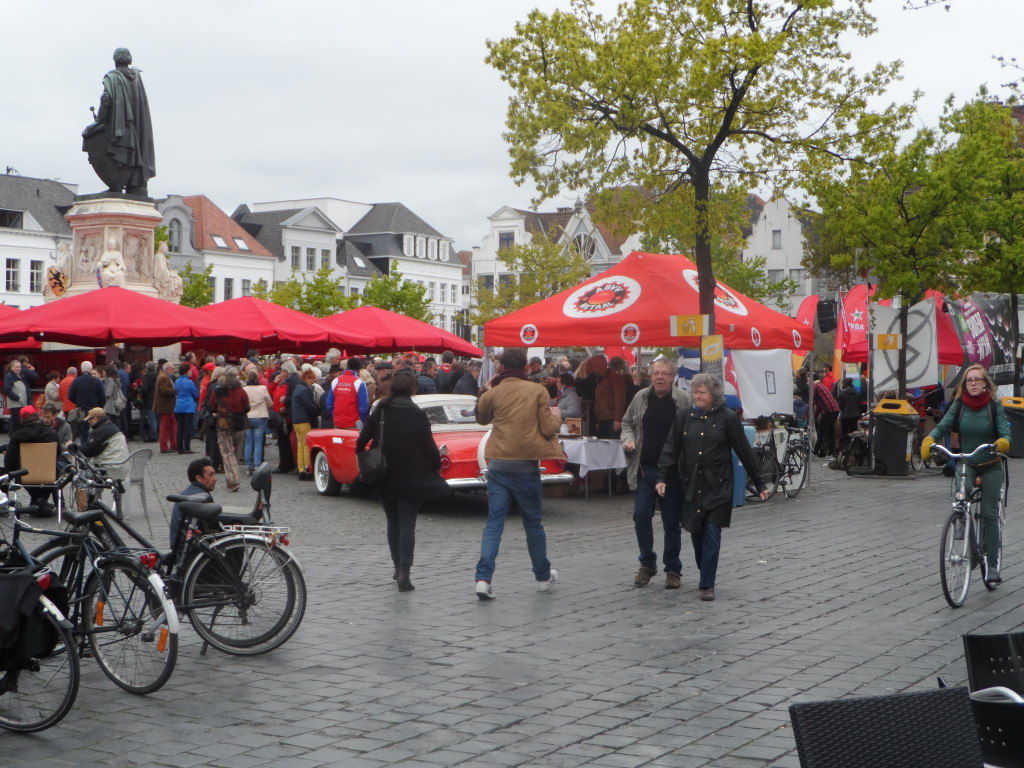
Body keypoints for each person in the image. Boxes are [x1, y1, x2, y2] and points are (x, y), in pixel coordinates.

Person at [656, 373, 770, 602]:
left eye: (702, 392)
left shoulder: (727, 418)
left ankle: (707, 583)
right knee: (697, 534)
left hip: (718, 485)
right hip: (691, 484)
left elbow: (744, 451)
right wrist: (662, 476)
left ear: (713, 394)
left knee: (711, 532)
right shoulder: (684, 416)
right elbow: (671, 448)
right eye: (695, 392)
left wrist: (759, 483)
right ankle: (704, 568)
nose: (697, 396)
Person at [473, 347, 563, 600]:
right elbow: (547, 428)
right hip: (525, 465)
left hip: (498, 463)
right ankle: (542, 576)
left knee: (494, 524)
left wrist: (486, 390)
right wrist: (557, 416)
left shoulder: (496, 392)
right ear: (525, 366)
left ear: (501, 367)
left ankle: (483, 579)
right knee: (532, 523)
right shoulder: (537, 391)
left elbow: (481, 418)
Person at [357, 370, 446, 592]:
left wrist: (368, 459)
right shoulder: (417, 414)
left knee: (392, 522)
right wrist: (435, 467)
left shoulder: (382, 410)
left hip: (386, 475)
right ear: (412, 390)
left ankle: (396, 567)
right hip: (412, 476)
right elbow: (429, 447)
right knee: (408, 524)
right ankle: (405, 572)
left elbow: (361, 442)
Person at [922, 364, 1011, 582]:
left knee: (989, 513)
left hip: (990, 463)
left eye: (977, 380)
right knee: (961, 497)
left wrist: (1003, 442)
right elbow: (944, 425)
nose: (972, 383)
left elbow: (1005, 430)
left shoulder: (994, 406)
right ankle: (961, 519)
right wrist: (930, 439)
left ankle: (991, 566)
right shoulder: (959, 404)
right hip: (967, 462)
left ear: (984, 384)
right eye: (969, 380)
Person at [621, 359, 691, 589]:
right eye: (656, 373)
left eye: (665, 373)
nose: (660, 377)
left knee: (672, 522)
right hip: (646, 468)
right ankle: (647, 564)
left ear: (673, 376)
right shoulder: (640, 397)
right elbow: (627, 423)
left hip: (672, 471)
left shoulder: (682, 400)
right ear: (650, 376)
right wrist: (628, 439)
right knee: (641, 515)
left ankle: (673, 568)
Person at [81, 48, 156, 196]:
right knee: (135, 153)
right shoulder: (137, 79)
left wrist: (97, 123)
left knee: (99, 140)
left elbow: (106, 99)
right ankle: (136, 186)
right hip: (137, 131)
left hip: (121, 131)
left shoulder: (112, 77)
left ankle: (116, 183)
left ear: (115, 60)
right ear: (129, 60)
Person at [3, 405, 58, 517]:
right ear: (37, 417)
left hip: (25, 476)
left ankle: (37, 500)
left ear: (22, 420)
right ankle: (41, 501)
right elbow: (58, 453)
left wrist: (10, 472)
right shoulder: (51, 433)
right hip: (49, 474)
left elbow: (9, 460)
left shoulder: (17, 436)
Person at [170, 458, 217, 561]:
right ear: (199, 478)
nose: (215, 478)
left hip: (178, 547)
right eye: (211, 475)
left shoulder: (189, 491)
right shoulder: (201, 497)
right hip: (189, 551)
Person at [214, 368, 249, 492]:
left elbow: (211, 406)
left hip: (224, 424)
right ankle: (232, 478)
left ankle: (233, 480)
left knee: (228, 454)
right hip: (239, 424)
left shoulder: (218, 391)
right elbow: (247, 407)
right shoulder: (240, 391)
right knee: (236, 453)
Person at [81, 407, 129, 481]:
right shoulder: (111, 426)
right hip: (122, 467)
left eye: (89, 420)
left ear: (95, 419)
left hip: (112, 469)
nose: (89, 422)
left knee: (83, 475)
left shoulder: (102, 430)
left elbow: (89, 451)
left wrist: (74, 447)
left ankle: (87, 492)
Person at [67, 360, 105, 444]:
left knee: (83, 432)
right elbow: (102, 397)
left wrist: (78, 402)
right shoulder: (96, 381)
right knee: (93, 430)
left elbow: (70, 396)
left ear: (81, 370)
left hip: (81, 410)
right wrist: (99, 407)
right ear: (91, 369)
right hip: (94, 409)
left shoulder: (76, 381)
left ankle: (84, 450)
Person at [243, 370, 273, 475]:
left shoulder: (244, 389)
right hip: (260, 416)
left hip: (247, 417)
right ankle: (257, 465)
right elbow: (270, 403)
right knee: (258, 443)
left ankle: (247, 466)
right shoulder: (263, 388)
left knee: (248, 442)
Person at [291, 369, 319, 481]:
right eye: (312, 379)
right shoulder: (304, 390)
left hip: (296, 421)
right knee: (306, 446)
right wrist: (317, 411)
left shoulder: (297, 388)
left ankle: (301, 469)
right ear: (307, 378)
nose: (313, 381)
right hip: (304, 421)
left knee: (300, 446)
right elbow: (309, 406)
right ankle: (308, 470)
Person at [327, 359, 369, 430]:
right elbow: (363, 407)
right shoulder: (359, 382)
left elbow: (329, 404)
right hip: (354, 424)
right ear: (359, 370)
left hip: (337, 423)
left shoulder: (336, 380)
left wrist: (336, 416)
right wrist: (362, 421)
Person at [811, 373, 840, 457]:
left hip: (828, 410)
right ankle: (831, 452)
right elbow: (819, 404)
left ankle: (817, 452)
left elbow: (812, 401)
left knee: (821, 432)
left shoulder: (815, 386)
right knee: (831, 432)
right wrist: (815, 416)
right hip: (835, 409)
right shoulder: (821, 385)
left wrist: (809, 415)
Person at [174, 363, 198, 454]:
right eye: (190, 370)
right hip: (188, 406)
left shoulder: (177, 381)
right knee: (187, 428)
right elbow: (196, 394)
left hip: (178, 406)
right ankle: (187, 447)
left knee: (180, 427)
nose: (191, 372)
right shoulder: (189, 382)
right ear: (186, 372)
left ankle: (180, 448)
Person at [4, 359, 32, 432]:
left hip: (22, 403)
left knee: (21, 422)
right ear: (12, 367)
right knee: (16, 423)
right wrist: (17, 398)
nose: (18, 368)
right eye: (16, 367)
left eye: (19, 367)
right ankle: (14, 437)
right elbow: (7, 390)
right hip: (16, 404)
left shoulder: (20, 376)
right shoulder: (9, 377)